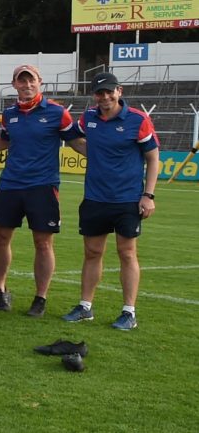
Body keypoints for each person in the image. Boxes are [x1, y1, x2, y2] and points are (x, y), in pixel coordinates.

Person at [0, 64, 84, 317]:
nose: (27, 85)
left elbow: (76, 142)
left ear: (40, 82)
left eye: (31, 81)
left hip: (43, 186)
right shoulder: (8, 115)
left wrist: (111, 155)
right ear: (15, 84)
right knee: (2, 238)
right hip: (10, 184)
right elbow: (3, 142)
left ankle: (40, 297)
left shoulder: (57, 113)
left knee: (43, 242)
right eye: (21, 81)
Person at [62, 72, 160, 330]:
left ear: (120, 91)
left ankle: (129, 312)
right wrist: (90, 152)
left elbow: (152, 158)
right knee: (92, 252)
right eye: (99, 93)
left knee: (127, 253)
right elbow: (71, 136)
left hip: (127, 199)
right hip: (95, 198)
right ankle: (85, 307)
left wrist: (148, 195)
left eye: (109, 92)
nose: (104, 97)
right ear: (94, 96)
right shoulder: (88, 118)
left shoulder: (138, 119)